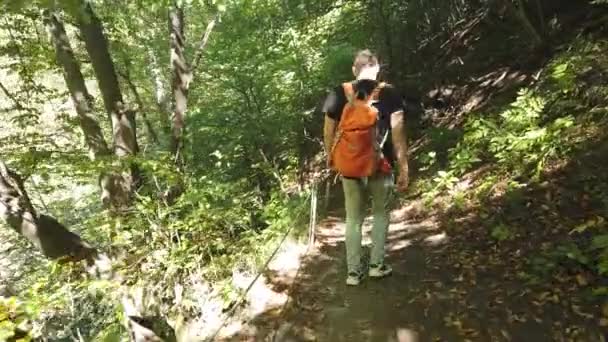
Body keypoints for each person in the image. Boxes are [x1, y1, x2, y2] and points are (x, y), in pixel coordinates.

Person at [322, 49, 409, 286]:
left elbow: (328, 132)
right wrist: (404, 168)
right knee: (380, 214)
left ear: (354, 70)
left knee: (353, 219)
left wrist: (332, 158)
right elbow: (398, 132)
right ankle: (376, 266)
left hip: (349, 166)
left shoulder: (338, 93)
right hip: (380, 164)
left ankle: (353, 273)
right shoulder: (390, 93)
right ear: (377, 69)